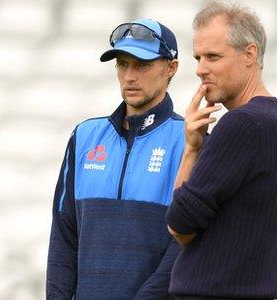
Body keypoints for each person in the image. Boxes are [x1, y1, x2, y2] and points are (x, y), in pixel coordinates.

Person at [165, 2, 277, 299]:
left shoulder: (243, 124)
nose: (200, 69)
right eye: (198, 57)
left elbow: (180, 226)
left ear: (250, 54)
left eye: (213, 56)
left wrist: (191, 149)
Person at [47, 18, 183, 299]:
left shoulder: (189, 140)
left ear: (171, 68)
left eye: (142, 65)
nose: (130, 76)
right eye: (122, 64)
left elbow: (184, 245)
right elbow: (63, 236)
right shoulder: (84, 136)